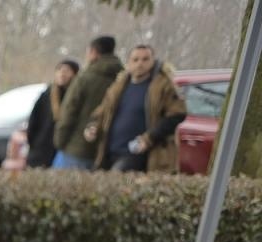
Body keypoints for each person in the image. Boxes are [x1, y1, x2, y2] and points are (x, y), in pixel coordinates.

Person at [90, 43, 187, 173]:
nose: (140, 63)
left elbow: (177, 114)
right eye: (135, 59)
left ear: (153, 61)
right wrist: (92, 126)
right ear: (129, 63)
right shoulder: (119, 85)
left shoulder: (163, 86)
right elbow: (102, 111)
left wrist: (149, 138)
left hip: (138, 153)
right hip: (110, 151)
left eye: (145, 59)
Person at [53, 35, 122, 170]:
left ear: (93, 52)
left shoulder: (85, 78)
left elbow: (69, 112)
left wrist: (59, 141)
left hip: (77, 148)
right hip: (107, 149)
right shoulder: (122, 78)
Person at [23, 59, 78, 169]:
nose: (62, 73)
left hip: (64, 150)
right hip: (41, 150)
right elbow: (33, 121)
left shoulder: (76, 96)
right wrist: (33, 143)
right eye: (60, 70)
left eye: (67, 70)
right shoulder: (47, 94)